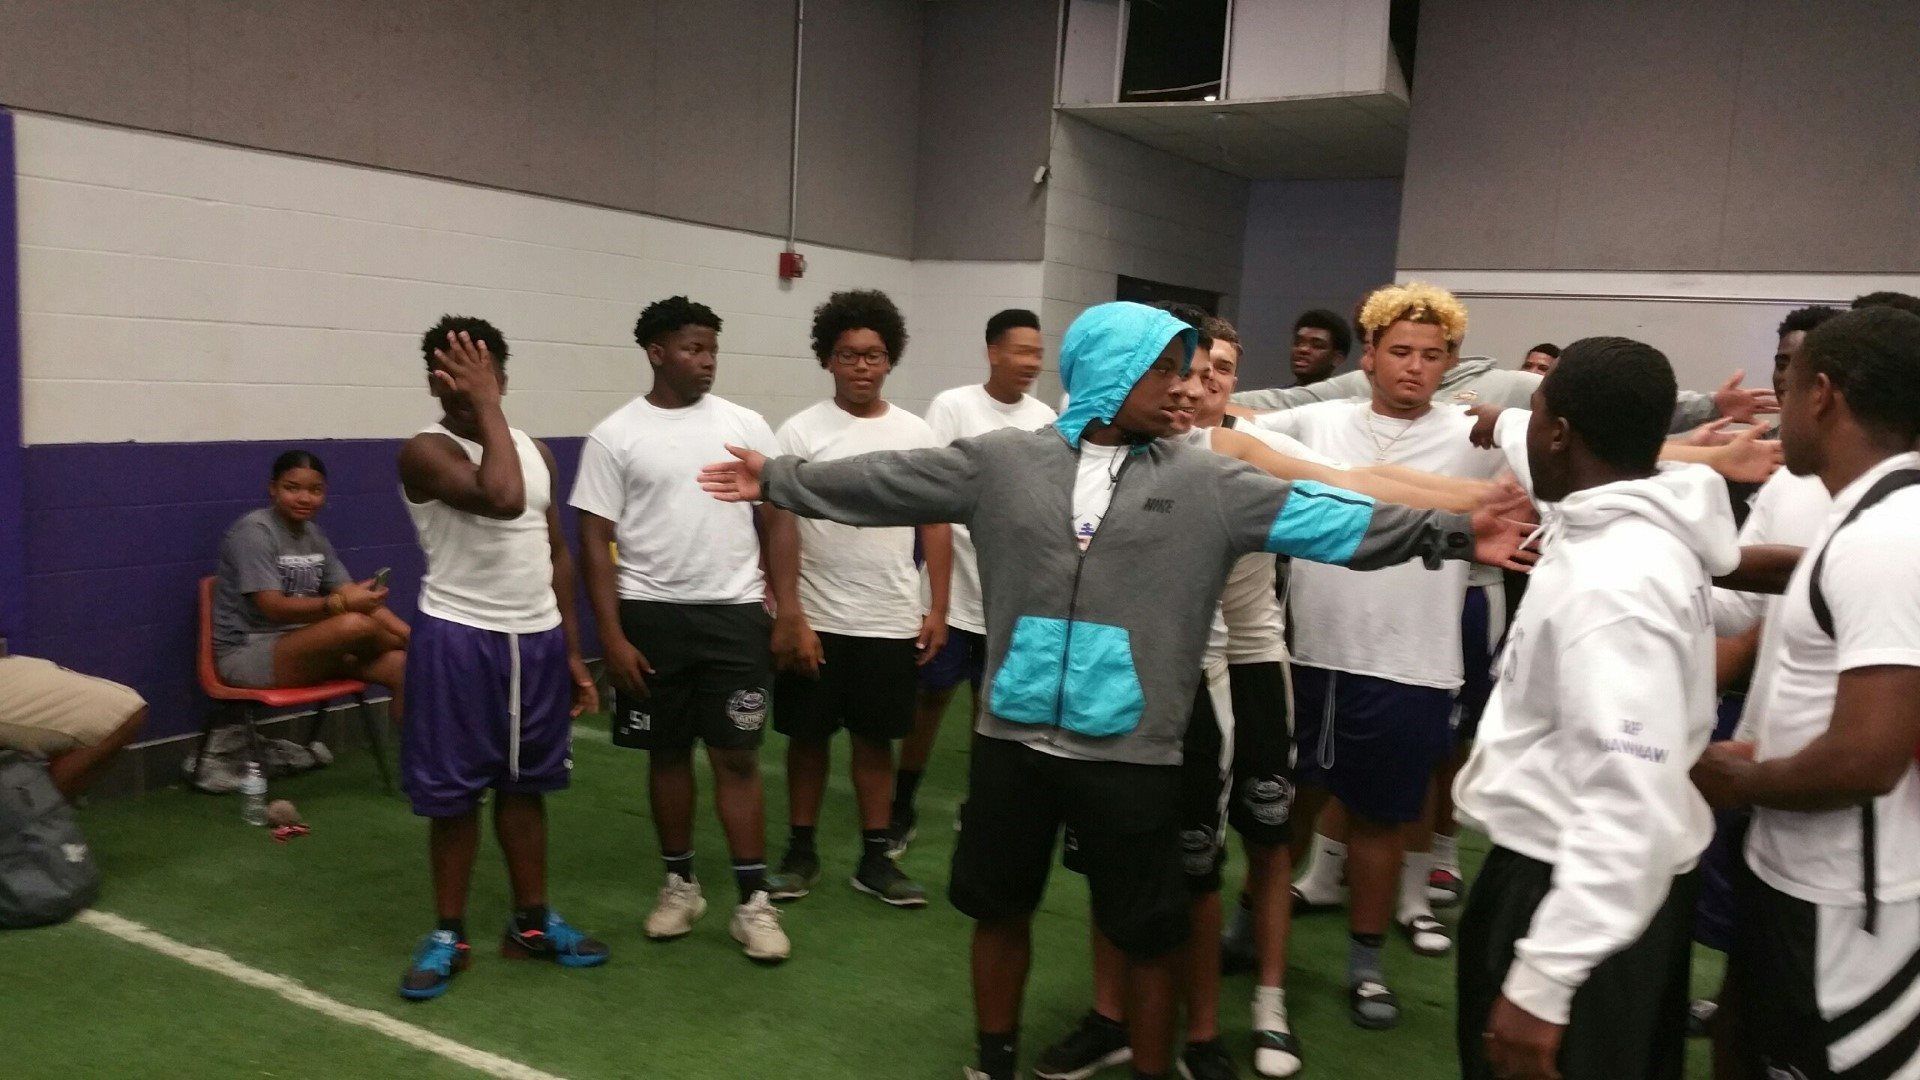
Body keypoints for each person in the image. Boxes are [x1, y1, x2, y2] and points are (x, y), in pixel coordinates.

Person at [699, 300, 1534, 1080]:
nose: (1186, 388)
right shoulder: (1002, 462)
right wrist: (776, 478)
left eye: (1190, 370)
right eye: (1165, 371)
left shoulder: (1209, 483)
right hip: (1012, 742)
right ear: (1106, 373)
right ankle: (992, 1059)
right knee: (999, 907)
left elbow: (1331, 517)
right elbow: (884, 480)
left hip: (1137, 749)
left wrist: (1456, 532)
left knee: (1147, 929)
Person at [1036, 313, 1512, 1080]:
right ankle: (1112, 1015)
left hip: (1245, 669)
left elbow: (1361, 484)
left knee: (1250, 849)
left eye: (1218, 368)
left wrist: (1476, 506)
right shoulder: (1103, 452)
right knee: (1117, 857)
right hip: (1130, 681)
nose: (1203, 382)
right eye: (1187, 369)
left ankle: (1248, 1012)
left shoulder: (1238, 446)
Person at [1453, 337, 1738, 1080]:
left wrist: (1544, 983)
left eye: (1537, 411)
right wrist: (1502, 420)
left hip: (1573, 891)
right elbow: (1532, 441)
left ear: (1561, 434)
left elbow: (1626, 806)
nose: (1528, 424)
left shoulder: (1613, 582)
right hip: (1619, 895)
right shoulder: (1631, 517)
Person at [1693, 305, 1920, 1080]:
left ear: (1822, 394)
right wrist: (1673, 548)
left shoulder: (1891, 537)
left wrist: (1739, 779)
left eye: (1788, 385)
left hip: (1842, 900)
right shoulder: (1867, 507)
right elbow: (1811, 572)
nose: (1777, 400)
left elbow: (1866, 760)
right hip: (1797, 872)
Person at [572, 295, 790, 962]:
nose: (706, 361)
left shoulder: (746, 425)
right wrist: (609, 635)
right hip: (650, 617)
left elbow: (780, 515)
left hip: (734, 616)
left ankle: (753, 902)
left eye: (713, 349)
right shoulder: (616, 435)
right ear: (657, 352)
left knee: (737, 755)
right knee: (667, 754)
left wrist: (790, 606)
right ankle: (680, 884)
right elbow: (593, 540)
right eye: (694, 349)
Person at [394, 317, 606, 1001]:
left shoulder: (537, 450)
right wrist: (486, 406)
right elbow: (500, 497)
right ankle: (448, 934)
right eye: (444, 371)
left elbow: (556, 550)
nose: (454, 382)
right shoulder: (423, 452)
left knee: (526, 786)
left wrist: (573, 650)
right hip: (459, 639)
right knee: (456, 797)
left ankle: (531, 925)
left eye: (474, 370)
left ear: (503, 376)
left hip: (536, 640)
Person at [762, 290, 948, 907]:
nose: (861, 366)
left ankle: (875, 859)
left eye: (872, 355)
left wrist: (939, 607)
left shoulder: (915, 433)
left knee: (875, 742)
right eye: (848, 355)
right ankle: (800, 851)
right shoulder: (801, 430)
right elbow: (780, 523)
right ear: (828, 360)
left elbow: (937, 523)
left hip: (889, 618)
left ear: (889, 359)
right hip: (816, 617)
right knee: (808, 740)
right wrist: (790, 613)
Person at [895, 308, 1057, 856]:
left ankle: (980, 807)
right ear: (993, 352)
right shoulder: (953, 406)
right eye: (1023, 351)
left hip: (1013, 597)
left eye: (1039, 353)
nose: (1033, 363)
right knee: (929, 700)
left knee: (993, 707)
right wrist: (936, 602)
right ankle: (899, 808)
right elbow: (932, 489)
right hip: (952, 590)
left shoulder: (1045, 418)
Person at [212, 450, 408, 720]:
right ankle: (407, 645)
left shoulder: (314, 535)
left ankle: (419, 760)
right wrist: (339, 604)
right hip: (248, 655)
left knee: (405, 667)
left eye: (315, 490)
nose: (304, 498)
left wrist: (411, 636)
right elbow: (273, 608)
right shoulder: (253, 532)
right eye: (292, 488)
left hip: (310, 646)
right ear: (273, 489)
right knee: (353, 625)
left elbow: (353, 596)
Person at [0, 655, 146, 800]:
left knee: (41, 804)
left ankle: (41, 811)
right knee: (47, 801)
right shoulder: (16, 662)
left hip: (104, 720)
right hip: (125, 702)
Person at [1287, 309, 1351, 387]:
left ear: (1337, 358)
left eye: (1317, 345)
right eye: (1298, 343)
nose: (1303, 349)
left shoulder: (1344, 398)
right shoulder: (1276, 398)